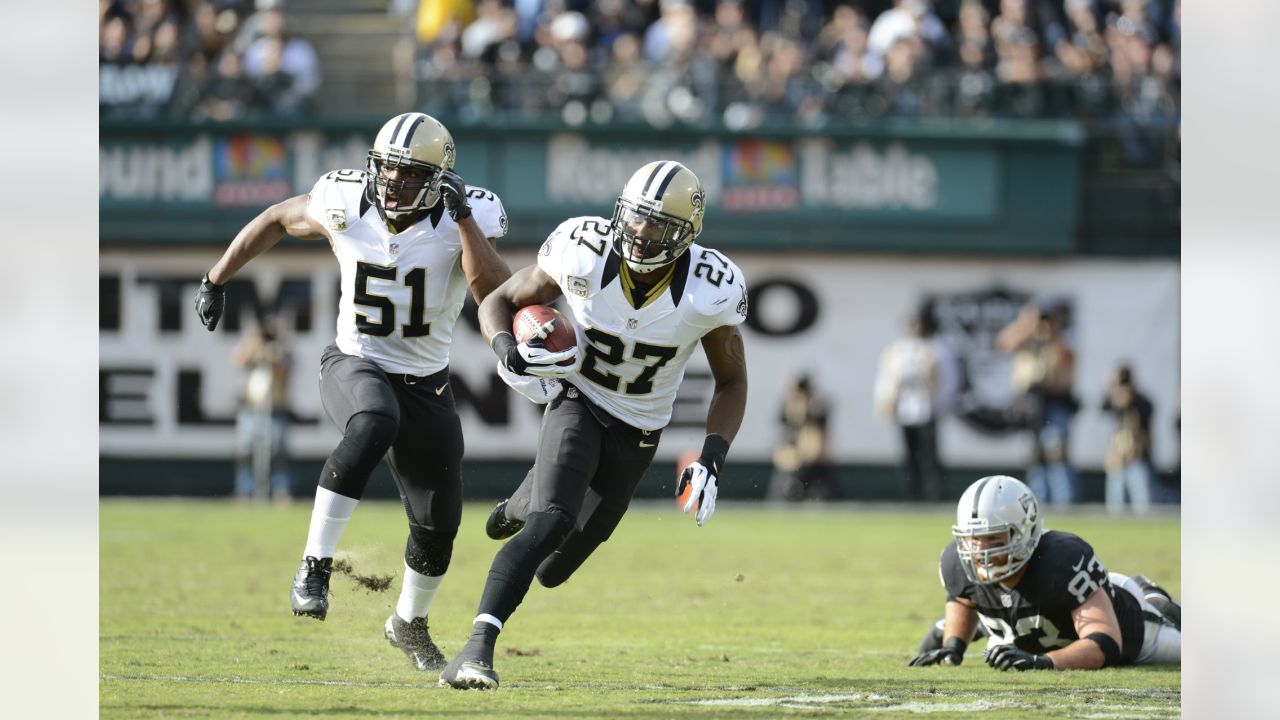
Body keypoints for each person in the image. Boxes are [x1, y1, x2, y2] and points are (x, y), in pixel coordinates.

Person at [192, 112, 511, 672]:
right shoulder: (344, 198)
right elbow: (276, 217)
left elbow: (491, 288)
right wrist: (215, 277)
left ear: (440, 181)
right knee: (372, 422)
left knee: (439, 523)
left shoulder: (468, 214)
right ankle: (314, 564)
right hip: (354, 360)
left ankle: (409, 624)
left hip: (427, 382)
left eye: (409, 175)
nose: (391, 184)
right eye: (386, 170)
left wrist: (462, 221)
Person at [439, 160, 750, 690]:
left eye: (658, 225)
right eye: (635, 218)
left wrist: (712, 457)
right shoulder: (582, 247)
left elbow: (732, 382)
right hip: (577, 400)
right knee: (551, 522)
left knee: (552, 571)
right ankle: (475, 650)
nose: (640, 233)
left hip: (640, 431)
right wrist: (504, 347)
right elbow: (501, 300)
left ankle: (521, 500)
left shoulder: (709, 289)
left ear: (687, 235)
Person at [908, 475, 1181, 671]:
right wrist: (954, 646)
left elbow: (1105, 644)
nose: (980, 552)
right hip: (1023, 629)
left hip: (1133, 633)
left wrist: (1043, 662)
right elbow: (964, 597)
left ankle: (1155, 600)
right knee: (971, 635)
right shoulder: (957, 561)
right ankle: (985, 625)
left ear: (1025, 532)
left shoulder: (1062, 560)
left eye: (994, 539)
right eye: (974, 539)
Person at [996, 300, 1079, 507]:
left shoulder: (1063, 336)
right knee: (1035, 456)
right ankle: (1038, 503)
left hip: (1056, 399)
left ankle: (1064, 503)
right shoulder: (1028, 338)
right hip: (1032, 402)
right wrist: (1027, 323)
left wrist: (1052, 329)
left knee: (1056, 452)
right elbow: (1004, 343)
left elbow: (1066, 355)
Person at [873, 311, 959, 501]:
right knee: (909, 455)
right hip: (904, 410)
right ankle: (913, 493)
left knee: (929, 456)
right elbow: (887, 378)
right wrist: (885, 402)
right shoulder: (897, 350)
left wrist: (941, 404)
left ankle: (934, 493)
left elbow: (948, 381)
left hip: (927, 410)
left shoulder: (936, 349)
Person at [231, 313, 293, 500]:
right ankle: (244, 489)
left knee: (277, 451)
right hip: (251, 406)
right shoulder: (253, 345)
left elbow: (286, 372)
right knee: (246, 450)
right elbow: (238, 360)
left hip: (275, 407)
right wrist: (254, 342)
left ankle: (280, 490)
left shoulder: (282, 349)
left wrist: (274, 354)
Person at [768, 374, 838, 501]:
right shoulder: (787, 408)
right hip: (791, 463)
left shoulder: (817, 409)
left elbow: (819, 439)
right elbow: (783, 436)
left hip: (815, 465)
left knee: (824, 495)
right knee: (782, 493)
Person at [1102, 364, 1156, 516]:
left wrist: (1131, 396)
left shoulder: (1140, 401)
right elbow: (1103, 407)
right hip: (1118, 456)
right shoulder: (1114, 399)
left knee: (1142, 501)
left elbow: (1148, 410)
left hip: (1137, 455)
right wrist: (1112, 390)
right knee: (1115, 502)